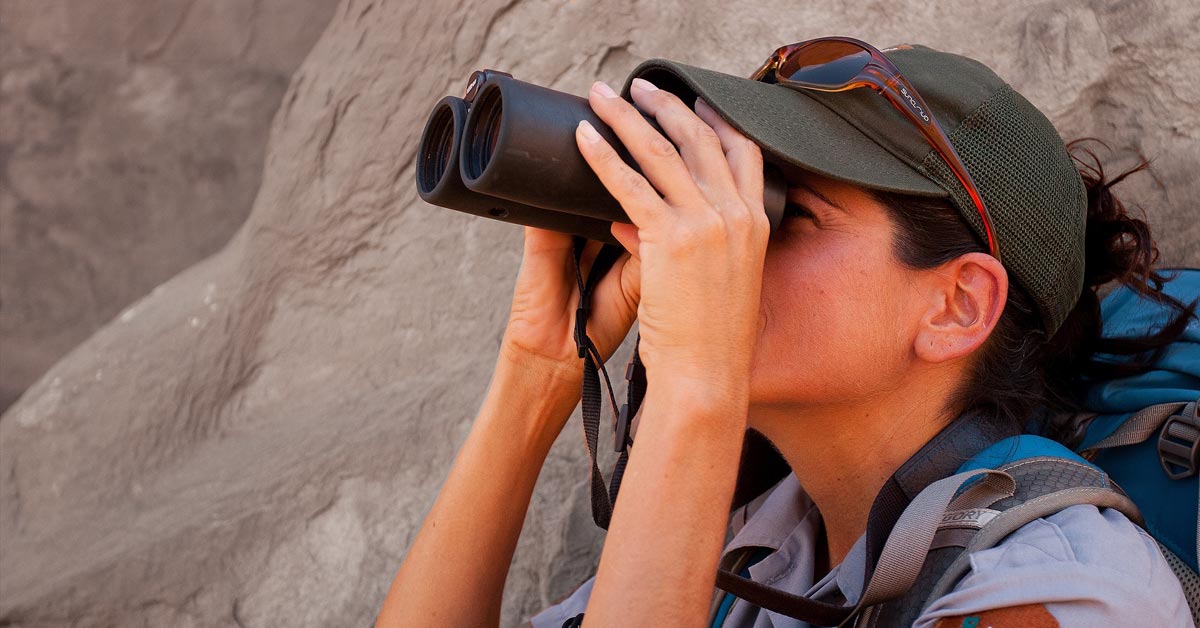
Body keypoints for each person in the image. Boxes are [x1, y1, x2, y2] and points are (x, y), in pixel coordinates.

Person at [377, 40, 1195, 627]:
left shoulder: (1057, 591)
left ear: (954, 307)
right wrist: (539, 371)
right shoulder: (760, 551)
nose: (727, 239)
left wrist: (699, 378)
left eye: (786, 214)